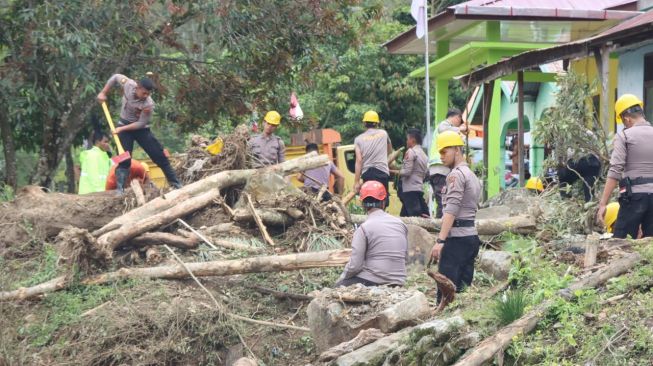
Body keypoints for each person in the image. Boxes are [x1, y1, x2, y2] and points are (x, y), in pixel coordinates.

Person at [96, 74, 181, 193]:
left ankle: (176, 184)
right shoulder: (128, 84)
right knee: (124, 159)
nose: (146, 96)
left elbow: (140, 123)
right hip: (124, 126)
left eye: (148, 94)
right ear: (138, 87)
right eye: (144, 93)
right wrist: (103, 92)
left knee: (159, 155)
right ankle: (120, 190)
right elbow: (115, 77)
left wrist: (122, 129)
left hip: (140, 129)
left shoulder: (148, 104)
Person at [429, 131, 481, 300]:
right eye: (440, 152)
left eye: (445, 151)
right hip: (471, 237)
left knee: (445, 294)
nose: (441, 156)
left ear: (457, 150)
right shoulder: (472, 175)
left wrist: (440, 241)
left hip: (456, 240)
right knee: (462, 295)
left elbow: (451, 210)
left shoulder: (456, 175)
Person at [597, 94, 653, 239]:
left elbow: (615, 170)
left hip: (633, 199)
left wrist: (603, 204)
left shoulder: (625, 136)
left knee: (621, 244)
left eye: (623, 121)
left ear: (626, 118)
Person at [336, 180, 408, 287]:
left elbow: (355, 265)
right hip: (399, 280)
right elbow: (405, 257)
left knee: (337, 287)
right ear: (384, 202)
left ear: (363, 204)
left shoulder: (364, 228)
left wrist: (341, 279)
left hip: (374, 281)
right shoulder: (401, 224)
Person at [427, 108, 467, 218]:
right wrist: (460, 129)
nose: (459, 124)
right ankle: (441, 224)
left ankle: (442, 222)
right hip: (439, 166)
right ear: (457, 117)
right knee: (442, 199)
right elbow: (443, 128)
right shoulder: (444, 125)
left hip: (439, 168)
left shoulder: (449, 130)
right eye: (459, 121)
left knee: (443, 198)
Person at [354, 110, 393, 207]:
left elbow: (359, 161)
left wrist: (356, 182)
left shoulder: (358, 139)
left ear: (364, 123)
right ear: (377, 123)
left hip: (367, 174)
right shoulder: (384, 134)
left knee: (369, 201)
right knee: (382, 201)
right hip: (382, 172)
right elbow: (390, 150)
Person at [399, 128, 429, 217]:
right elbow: (426, 173)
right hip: (418, 188)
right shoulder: (424, 155)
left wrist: (393, 172)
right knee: (406, 217)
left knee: (415, 218)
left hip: (409, 190)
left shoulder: (411, 152)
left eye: (407, 139)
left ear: (413, 140)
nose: (406, 141)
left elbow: (407, 171)